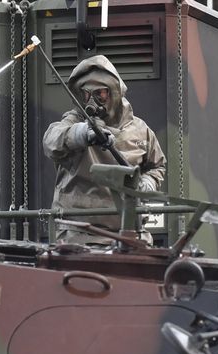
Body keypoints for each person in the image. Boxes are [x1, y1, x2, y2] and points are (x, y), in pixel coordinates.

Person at [43, 54, 166, 242]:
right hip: (78, 234)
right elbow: (51, 141)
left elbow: (157, 165)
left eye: (100, 93)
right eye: (86, 94)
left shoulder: (140, 130)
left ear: (114, 93)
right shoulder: (75, 120)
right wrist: (81, 134)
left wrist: (147, 182)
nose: (92, 101)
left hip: (130, 233)